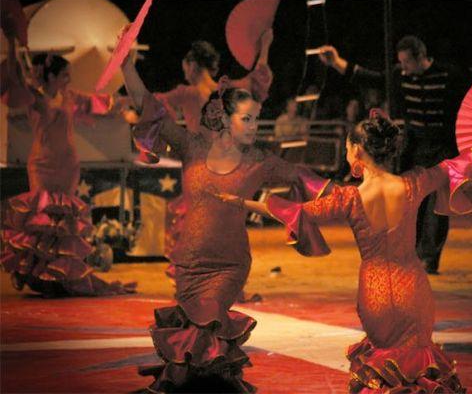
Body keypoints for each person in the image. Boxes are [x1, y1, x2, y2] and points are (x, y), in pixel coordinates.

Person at [217, 111, 472, 393]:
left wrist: (240, 202)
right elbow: (464, 161)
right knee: (420, 367)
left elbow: (296, 211)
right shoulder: (413, 184)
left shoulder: (350, 198)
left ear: (358, 150)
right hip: (413, 288)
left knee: (384, 373)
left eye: (348, 146)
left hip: (376, 292)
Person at [121, 41, 331, 393]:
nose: (254, 126)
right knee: (195, 338)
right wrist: (127, 68)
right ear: (223, 119)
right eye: (247, 119)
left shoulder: (258, 161)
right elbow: (150, 108)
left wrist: (364, 189)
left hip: (230, 264)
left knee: (207, 323)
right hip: (189, 263)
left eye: (256, 119)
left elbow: (302, 177)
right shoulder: (191, 147)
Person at [319, 36, 470, 274]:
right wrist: (337, 62)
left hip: (443, 148)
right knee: (412, 203)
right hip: (416, 148)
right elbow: (371, 78)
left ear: (421, 57)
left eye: (408, 62)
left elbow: (469, 102)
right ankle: (409, 253)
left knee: (437, 207)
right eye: (401, 62)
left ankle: (428, 259)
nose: (404, 68)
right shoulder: (400, 76)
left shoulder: (449, 76)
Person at [0, 34, 136, 297]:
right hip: (42, 165)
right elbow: (14, 77)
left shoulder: (70, 96)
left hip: (67, 166)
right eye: (64, 75)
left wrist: (125, 108)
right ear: (49, 76)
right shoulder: (33, 96)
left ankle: (60, 278)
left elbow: (100, 103)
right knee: (43, 218)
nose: (68, 80)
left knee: (63, 222)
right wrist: (13, 44)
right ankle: (41, 277)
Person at [155, 33, 274, 283]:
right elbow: (257, 78)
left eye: (185, 66)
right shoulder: (227, 89)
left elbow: (151, 102)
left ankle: (198, 282)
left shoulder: (187, 93)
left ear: (193, 65)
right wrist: (264, 47)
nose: (184, 71)